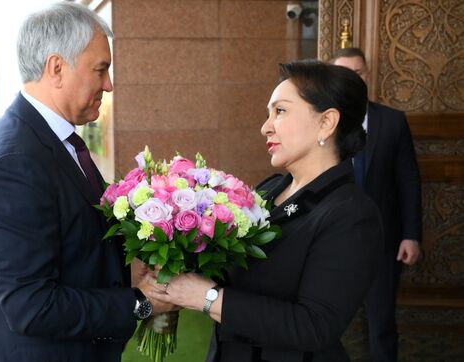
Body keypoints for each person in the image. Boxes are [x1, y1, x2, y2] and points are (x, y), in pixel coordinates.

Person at [0, 3, 172, 361]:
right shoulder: (15, 163)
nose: (108, 85)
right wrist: (141, 303)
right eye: (101, 69)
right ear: (57, 68)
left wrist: (130, 270)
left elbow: (74, 247)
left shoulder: (52, 142)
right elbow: (31, 306)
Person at [149, 60, 383, 362]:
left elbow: (314, 326)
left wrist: (208, 299)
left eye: (280, 111)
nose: (265, 127)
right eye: (268, 113)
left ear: (326, 122)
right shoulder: (269, 189)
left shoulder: (351, 214)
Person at [332, 47, 422, 362]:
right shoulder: (321, 122)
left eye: (358, 72)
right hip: (332, 243)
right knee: (325, 322)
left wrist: (411, 235)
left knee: (382, 323)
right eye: (344, 73)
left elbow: (408, 181)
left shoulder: (393, 121)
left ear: (367, 75)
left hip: (383, 242)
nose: (352, 78)